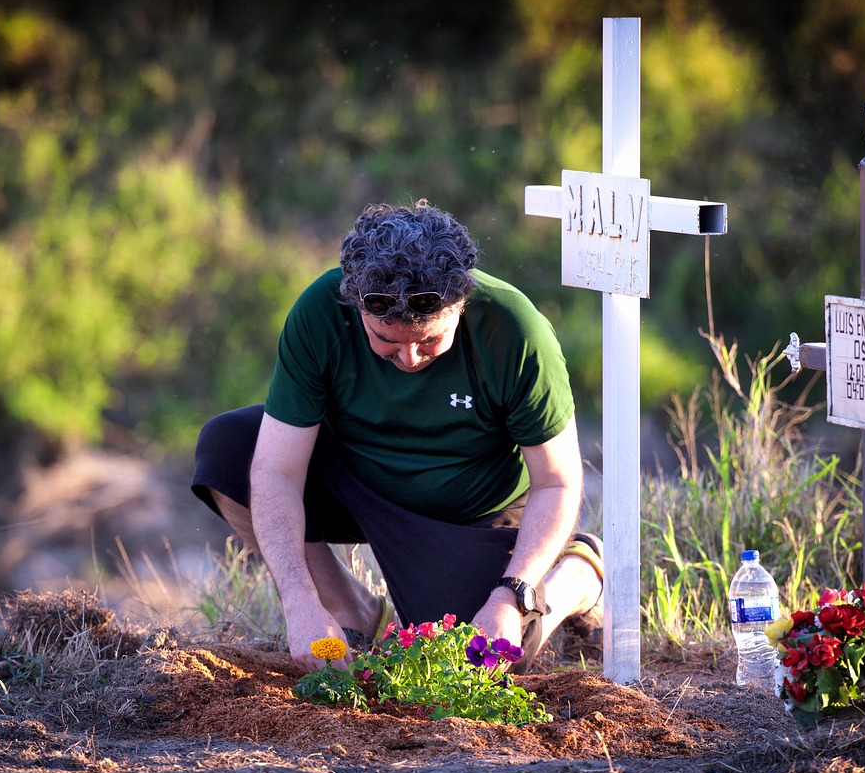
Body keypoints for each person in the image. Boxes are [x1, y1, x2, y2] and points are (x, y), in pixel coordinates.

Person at [191, 200, 603, 672]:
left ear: (462, 301)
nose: (409, 358)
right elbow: (276, 471)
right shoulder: (320, 312)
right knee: (230, 449)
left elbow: (557, 481)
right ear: (355, 303)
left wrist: (511, 596)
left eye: (429, 339)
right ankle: (353, 611)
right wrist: (299, 602)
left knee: (482, 656)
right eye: (387, 340)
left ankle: (580, 574)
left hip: (471, 510)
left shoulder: (515, 329)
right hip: (357, 477)